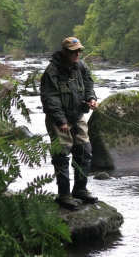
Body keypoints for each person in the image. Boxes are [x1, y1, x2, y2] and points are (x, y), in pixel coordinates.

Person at [40, 37, 99, 211]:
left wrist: (91, 99)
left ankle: (80, 190)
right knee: (62, 155)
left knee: (84, 152)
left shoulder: (81, 67)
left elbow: (89, 85)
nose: (78, 54)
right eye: (74, 51)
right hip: (59, 118)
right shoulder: (52, 71)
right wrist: (60, 120)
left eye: (79, 50)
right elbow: (49, 98)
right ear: (65, 51)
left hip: (78, 115)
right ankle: (64, 195)